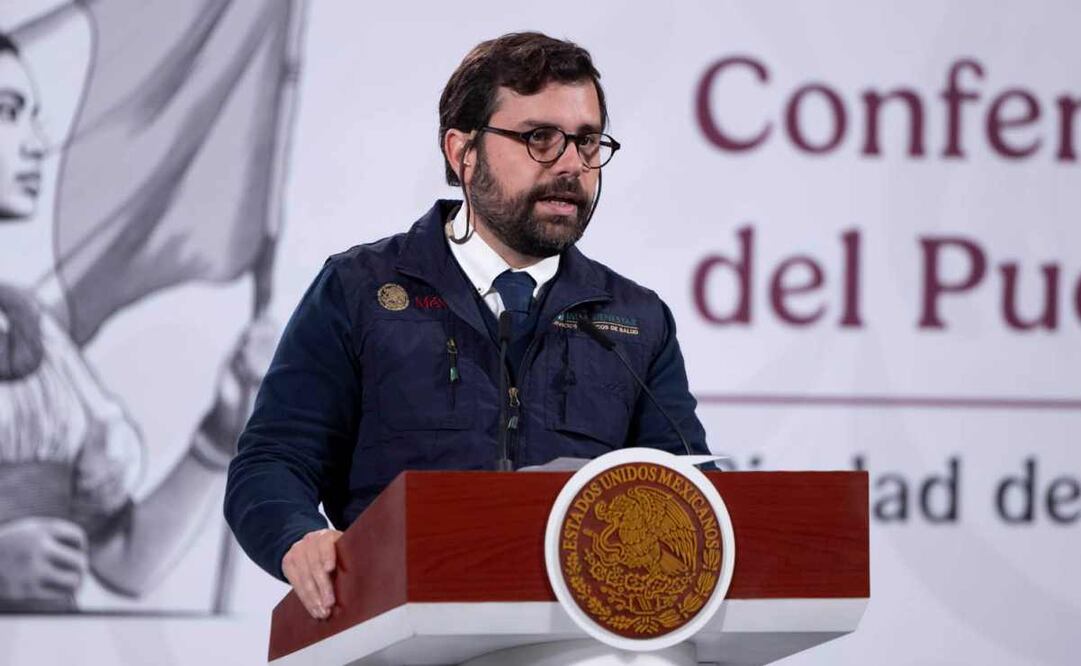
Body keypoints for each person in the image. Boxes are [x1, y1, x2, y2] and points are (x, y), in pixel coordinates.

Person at [225, 31, 709, 621]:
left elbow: (686, 495)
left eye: (586, 142)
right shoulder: (361, 290)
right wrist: (298, 538)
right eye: (540, 139)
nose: (571, 165)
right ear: (463, 152)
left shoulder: (635, 320)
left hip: (576, 639)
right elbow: (272, 462)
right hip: (396, 631)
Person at [0, 32, 275, 611]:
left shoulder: (36, 333)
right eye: (8, 112)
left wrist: (223, 431)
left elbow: (125, 564)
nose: (38, 143)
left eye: (33, 116)